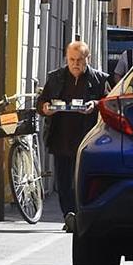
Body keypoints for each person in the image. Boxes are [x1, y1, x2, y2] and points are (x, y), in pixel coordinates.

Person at [36, 40, 110, 230]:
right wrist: (45, 108)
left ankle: (81, 214)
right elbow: (42, 102)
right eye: (71, 59)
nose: (75, 64)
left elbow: (110, 102)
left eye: (79, 60)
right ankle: (68, 216)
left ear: (88, 59)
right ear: (66, 59)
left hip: (88, 139)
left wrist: (95, 105)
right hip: (61, 136)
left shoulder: (100, 79)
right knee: (63, 181)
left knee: (82, 180)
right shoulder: (56, 78)